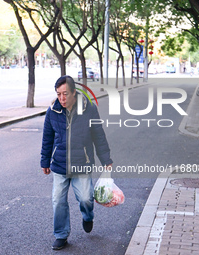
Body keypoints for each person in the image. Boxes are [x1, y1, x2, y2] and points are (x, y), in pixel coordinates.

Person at [40, 75, 113, 250]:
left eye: (65, 94)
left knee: (86, 198)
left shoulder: (89, 109)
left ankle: (88, 217)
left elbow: (98, 135)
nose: (62, 98)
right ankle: (61, 235)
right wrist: (45, 161)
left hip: (82, 162)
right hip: (59, 164)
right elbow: (47, 137)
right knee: (58, 200)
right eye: (58, 94)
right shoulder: (53, 110)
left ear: (74, 92)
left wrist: (106, 159)